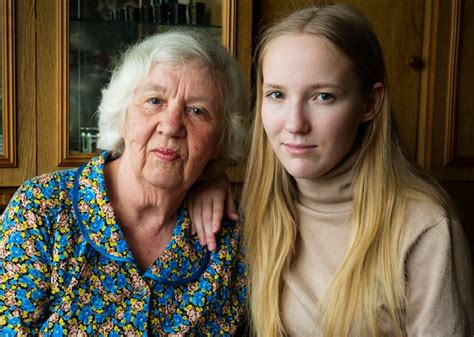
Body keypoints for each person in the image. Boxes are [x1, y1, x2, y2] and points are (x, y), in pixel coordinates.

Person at [189, 4, 473, 337]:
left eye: (323, 96)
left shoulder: (424, 228)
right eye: (277, 94)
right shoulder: (258, 206)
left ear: (369, 104)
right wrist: (204, 178)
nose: (295, 124)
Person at [0, 29, 247, 335]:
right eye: (154, 100)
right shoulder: (41, 208)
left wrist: (214, 177)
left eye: (197, 111)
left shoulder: (227, 241)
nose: (170, 125)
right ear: (122, 115)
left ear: (220, 141)